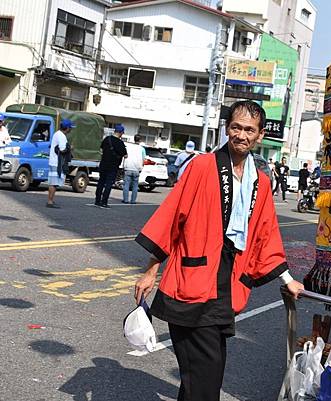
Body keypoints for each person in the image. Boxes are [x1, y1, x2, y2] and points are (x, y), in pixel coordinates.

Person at [133, 100, 304, 401]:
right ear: (227, 129)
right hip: (190, 283)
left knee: (201, 379)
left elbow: (267, 234)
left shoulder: (260, 183)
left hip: (224, 288)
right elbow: (172, 217)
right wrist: (150, 272)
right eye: (236, 127)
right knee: (205, 381)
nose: (242, 135)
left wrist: (287, 279)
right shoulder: (201, 167)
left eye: (249, 129)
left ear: (260, 135)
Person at [95, 124, 127, 209]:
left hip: (103, 164)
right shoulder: (120, 143)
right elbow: (125, 155)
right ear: (120, 133)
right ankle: (104, 202)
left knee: (101, 182)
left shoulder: (107, 139)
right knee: (108, 184)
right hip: (113, 166)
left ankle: (97, 201)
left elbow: (101, 150)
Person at [47, 119, 73, 208]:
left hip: (53, 161)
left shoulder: (57, 133)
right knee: (54, 183)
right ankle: (50, 201)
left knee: (53, 182)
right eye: (70, 128)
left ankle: (51, 200)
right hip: (57, 162)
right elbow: (62, 150)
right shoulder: (62, 136)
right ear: (67, 128)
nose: (71, 130)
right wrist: (70, 148)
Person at [122, 134, 145, 204]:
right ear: (140, 140)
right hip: (137, 169)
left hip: (128, 167)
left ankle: (125, 200)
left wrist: (123, 166)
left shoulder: (128, 147)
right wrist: (141, 167)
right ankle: (133, 200)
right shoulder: (142, 149)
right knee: (135, 186)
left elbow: (125, 156)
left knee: (126, 185)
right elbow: (143, 160)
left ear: (134, 139)